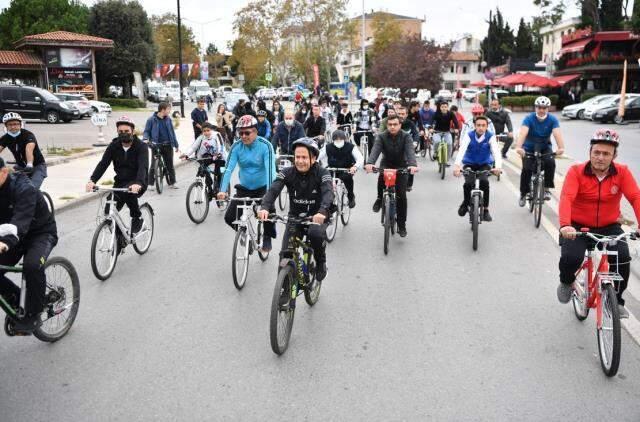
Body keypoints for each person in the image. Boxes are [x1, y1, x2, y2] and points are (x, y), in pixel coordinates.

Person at [556, 129, 640, 318]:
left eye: (606, 154)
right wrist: (565, 225)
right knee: (571, 259)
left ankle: (617, 300)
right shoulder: (576, 171)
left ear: (614, 156)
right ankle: (566, 281)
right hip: (578, 226)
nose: (600, 157)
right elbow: (567, 197)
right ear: (590, 153)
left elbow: (635, 197)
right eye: (597, 152)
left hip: (609, 226)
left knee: (622, 258)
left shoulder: (623, 172)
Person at [258, 138, 333, 281]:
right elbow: (273, 190)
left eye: (304, 157)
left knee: (315, 234)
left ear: (314, 158)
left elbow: (328, 193)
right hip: (295, 217)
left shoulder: (323, 173)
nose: (299, 161)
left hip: (318, 216)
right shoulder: (287, 172)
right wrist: (265, 207)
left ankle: (321, 262)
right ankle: (284, 290)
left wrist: (322, 211)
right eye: (297, 157)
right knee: (285, 254)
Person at [0, 156, 57, 333]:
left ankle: (34, 313)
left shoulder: (24, 188)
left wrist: (4, 242)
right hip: (11, 236)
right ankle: (17, 301)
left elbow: (20, 221)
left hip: (40, 233)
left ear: (3, 172)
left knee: (32, 266)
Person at [217, 115, 277, 252]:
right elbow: (228, 169)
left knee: (268, 212)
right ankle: (244, 234)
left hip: (263, 188)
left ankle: (267, 236)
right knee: (229, 217)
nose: (243, 136)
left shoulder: (265, 146)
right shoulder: (236, 147)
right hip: (244, 188)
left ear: (255, 131)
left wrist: (269, 197)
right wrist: (222, 190)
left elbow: (270, 172)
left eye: (247, 133)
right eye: (240, 133)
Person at [87, 116, 148, 234]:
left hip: (138, 181)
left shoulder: (141, 147)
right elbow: (103, 164)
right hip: (120, 182)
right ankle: (119, 239)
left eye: (126, 131)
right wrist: (92, 180)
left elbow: (143, 167)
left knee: (129, 192)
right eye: (120, 132)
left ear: (133, 131)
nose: (123, 134)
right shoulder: (114, 146)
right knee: (109, 210)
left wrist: (139, 183)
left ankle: (137, 218)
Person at [365, 115, 419, 237]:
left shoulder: (406, 136)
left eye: (395, 124)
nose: (392, 127)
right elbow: (375, 150)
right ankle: (380, 198)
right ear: (387, 125)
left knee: (401, 195)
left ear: (400, 125)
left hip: (402, 165)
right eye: (390, 124)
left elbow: (410, 152)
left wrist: (412, 165)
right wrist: (370, 163)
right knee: (381, 176)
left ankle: (401, 225)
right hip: (387, 163)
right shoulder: (381, 136)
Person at [515, 96, 565, 206]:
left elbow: (557, 134)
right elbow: (523, 133)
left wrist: (561, 148)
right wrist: (519, 147)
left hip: (544, 147)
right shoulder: (529, 118)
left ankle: (547, 188)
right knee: (527, 169)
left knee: (550, 162)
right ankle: (523, 193)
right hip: (529, 147)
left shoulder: (552, 119)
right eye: (539, 108)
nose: (541, 110)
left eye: (544, 108)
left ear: (548, 108)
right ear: (535, 108)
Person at [453, 115, 502, 222]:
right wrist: (457, 166)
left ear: (487, 126)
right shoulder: (469, 135)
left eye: (483, 125)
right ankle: (465, 204)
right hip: (469, 163)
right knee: (468, 184)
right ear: (474, 126)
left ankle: (486, 210)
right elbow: (462, 150)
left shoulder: (490, 136)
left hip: (484, 164)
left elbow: (496, 152)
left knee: (484, 182)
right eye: (478, 125)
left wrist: (498, 167)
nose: (481, 128)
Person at [180, 122, 227, 199]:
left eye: (208, 130)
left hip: (219, 156)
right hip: (208, 156)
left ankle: (220, 190)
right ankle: (209, 188)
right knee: (202, 169)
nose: (206, 132)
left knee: (219, 173)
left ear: (211, 130)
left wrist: (219, 154)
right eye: (204, 131)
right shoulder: (201, 137)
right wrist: (186, 155)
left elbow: (221, 146)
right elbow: (193, 147)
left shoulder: (216, 135)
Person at [0, 113, 47, 189]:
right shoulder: (6, 138)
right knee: (10, 188)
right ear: (6, 126)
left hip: (37, 166)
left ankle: (40, 199)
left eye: (16, 124)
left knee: (32, 189)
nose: (13, 127)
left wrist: (29, 164)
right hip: (21, 167)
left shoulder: (28, 135)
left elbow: (29, 149)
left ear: (20, 124)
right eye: (10, 125)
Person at [319, 130, 363, 208]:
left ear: (344, 139)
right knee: (327, 183)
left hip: (346, 169)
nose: (338, 141)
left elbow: (360, 158)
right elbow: (318, 156)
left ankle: (351, 196)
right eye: (336, 139)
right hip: (332, 168)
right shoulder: (328, 147)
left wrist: (355, 167)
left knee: (347, 179)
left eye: (340, 139)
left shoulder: (351, 147)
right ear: (333, 140)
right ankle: (329, 202)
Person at [143, 102, 180, 189]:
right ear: (163, 110)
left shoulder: (168, 119)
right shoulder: (151, 120)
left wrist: (176, 144)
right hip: (156, 145)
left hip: (167, 145)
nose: (169, 111)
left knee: (170, 164)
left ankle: (172, 182)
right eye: (168, 109)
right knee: (153, 165)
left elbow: (172, 132)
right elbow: (146, 131)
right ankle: (150, 184)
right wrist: (145, 139)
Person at [396, 106, 420, 191]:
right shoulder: (392, 123)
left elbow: (416, 134)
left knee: (411, 164)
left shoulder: (410, 123)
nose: (401, 115)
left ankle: (409, 184)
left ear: (406, 115)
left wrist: (415, 142)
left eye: (403, 114)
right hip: (393, 148)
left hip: (407, 147)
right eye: (399, 114)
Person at [430, 101, 459, 165]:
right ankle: (435, 153)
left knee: (449, 143)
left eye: (445, 107)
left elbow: (455, 121)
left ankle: (447, 160)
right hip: (437, 132)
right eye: (442, 107)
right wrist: (430, 128)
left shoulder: (450, 114)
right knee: (437, 141)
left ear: (447, 107)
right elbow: (431, 121)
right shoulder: (436, 114)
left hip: (447, 132)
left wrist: (456, 128)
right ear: (440, 108)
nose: (444, 108)